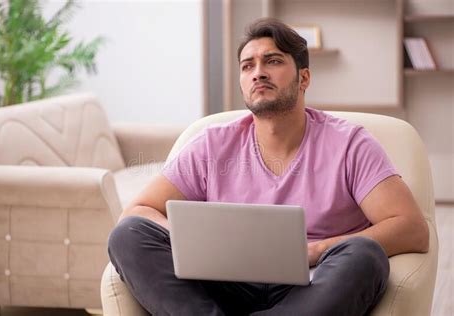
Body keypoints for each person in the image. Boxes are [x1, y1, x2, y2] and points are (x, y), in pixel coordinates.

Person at [108, 18, 429, 316]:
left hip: (314, 284)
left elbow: (412, 228)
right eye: (248, 66)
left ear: (304, 77)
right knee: (128, 235)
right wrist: (195, 241)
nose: (258, 72)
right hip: (225, 283)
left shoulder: (350, 144)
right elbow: (137, 212)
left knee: (364, 255)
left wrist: (317, 250)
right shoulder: (212, 145)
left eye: (272, 61)